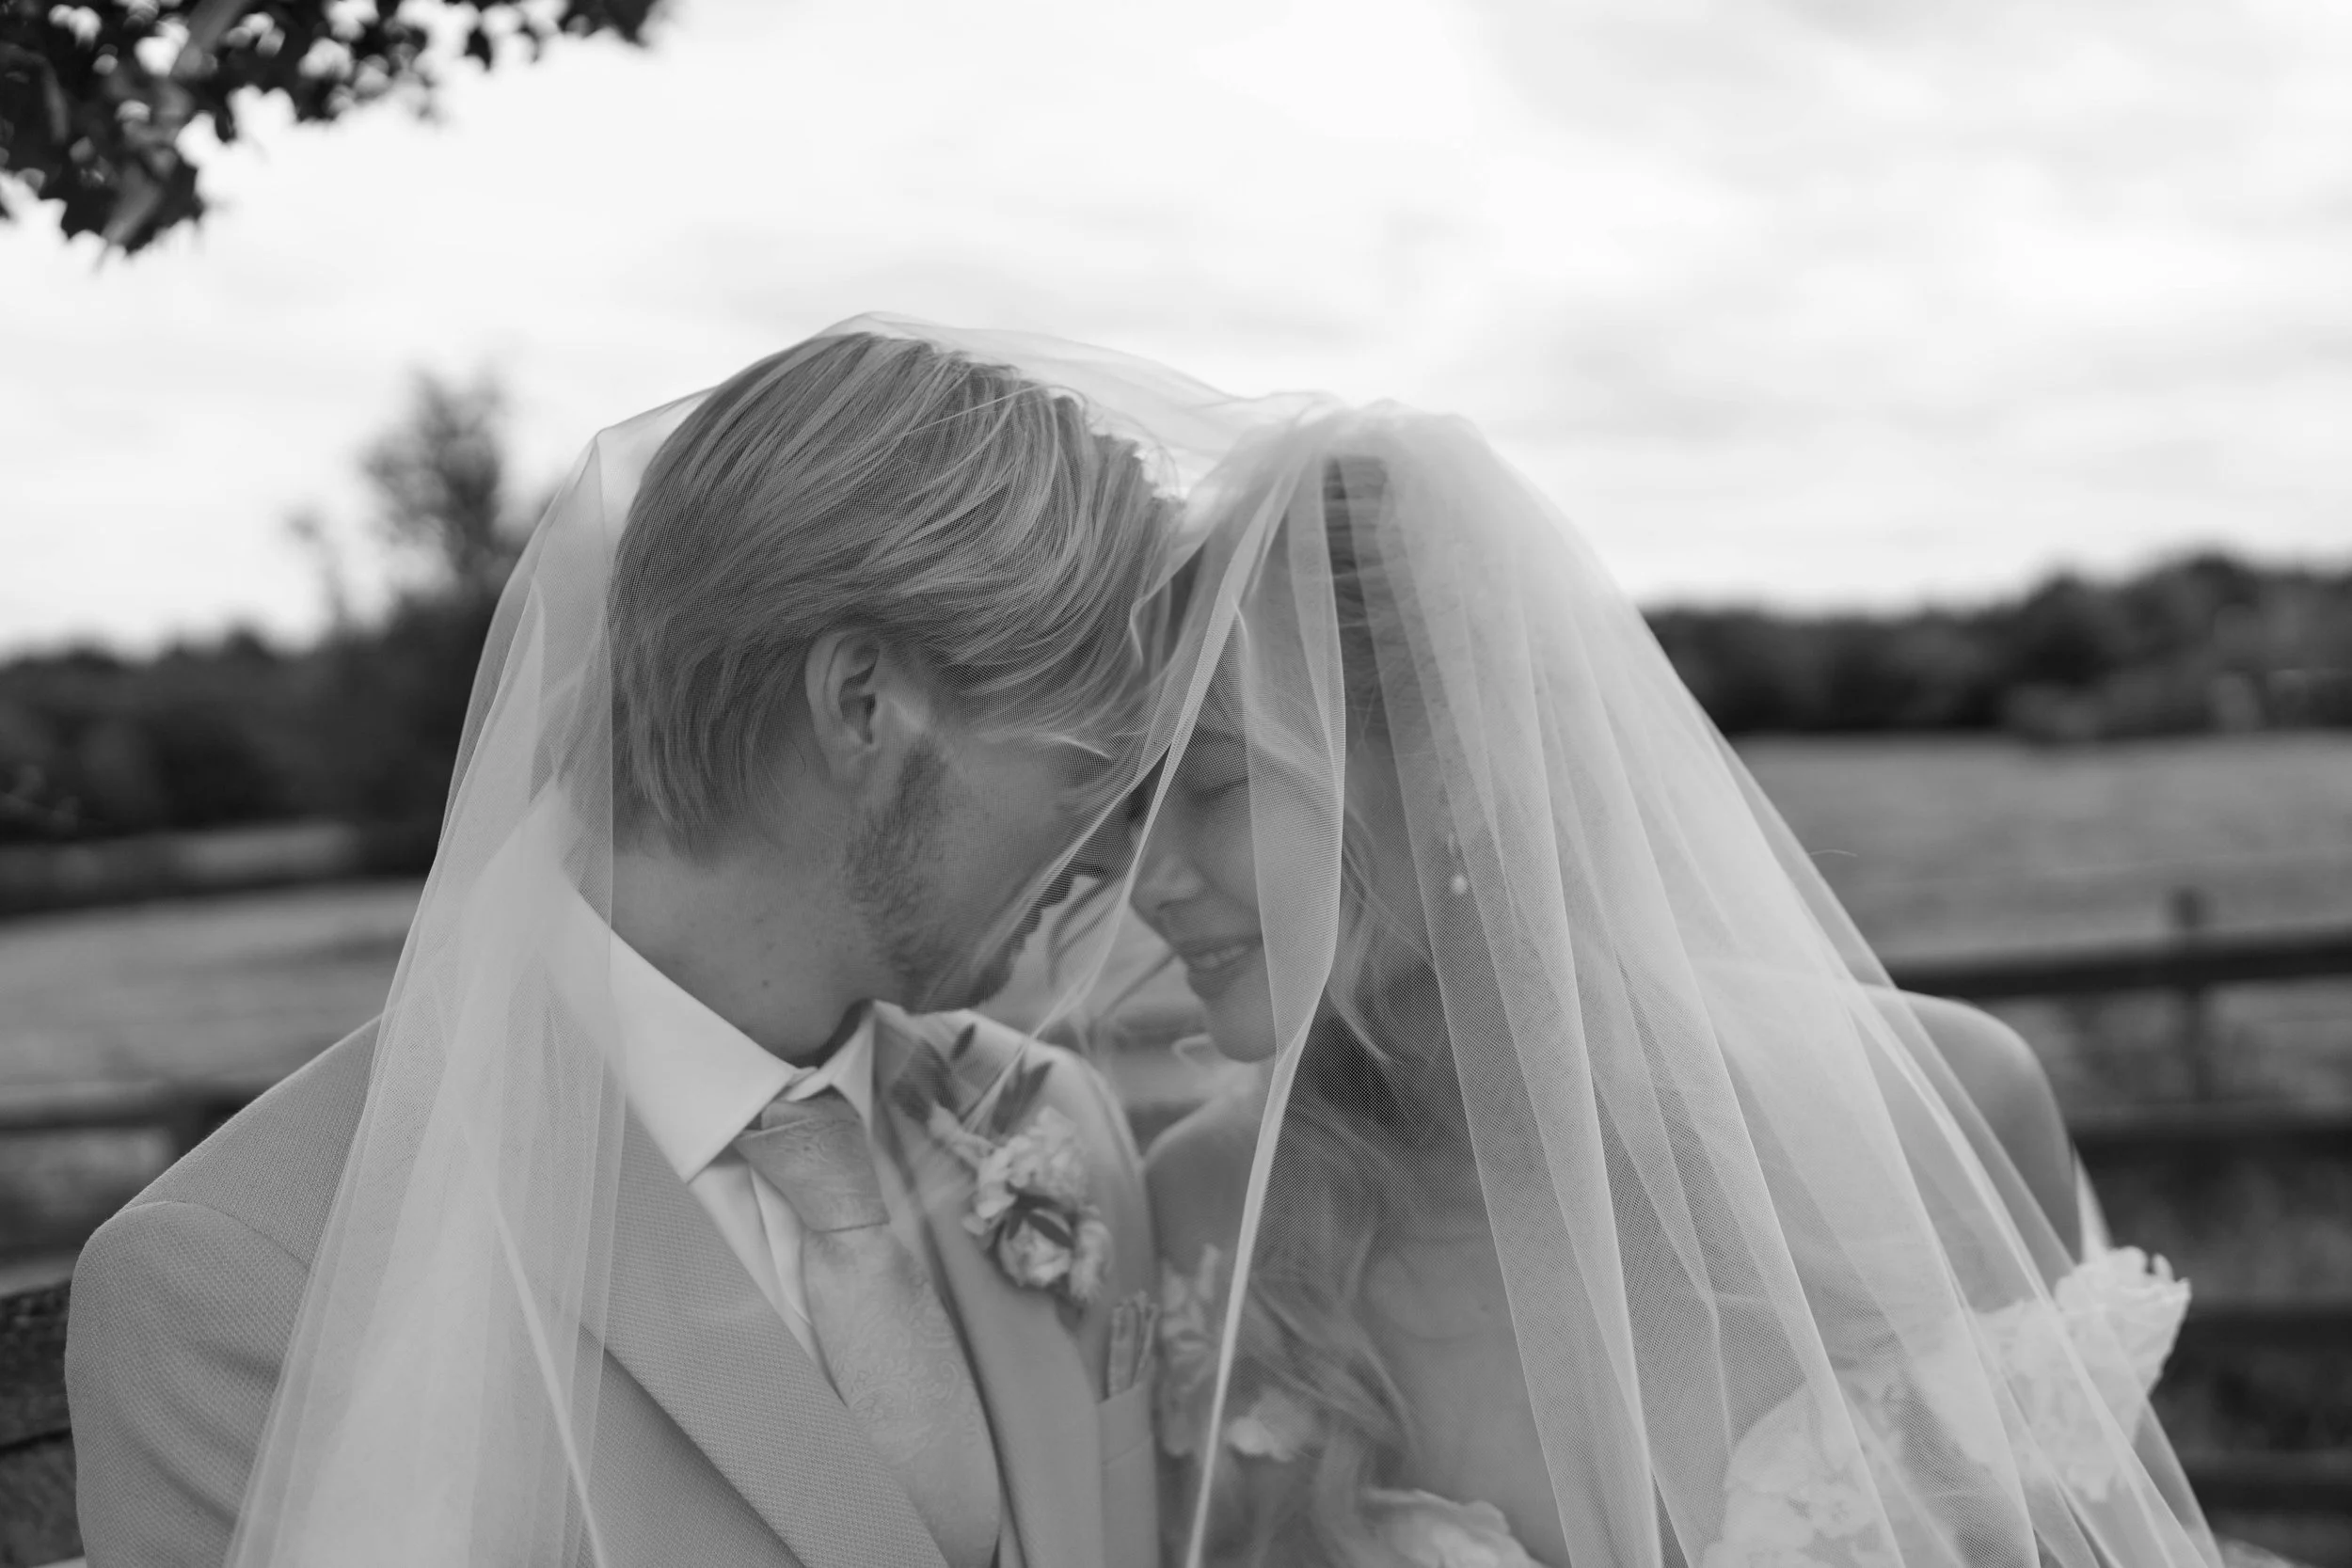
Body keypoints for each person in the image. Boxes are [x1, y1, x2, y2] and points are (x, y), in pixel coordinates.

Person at [65, 324, 1244, 1568]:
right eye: (1098, 767)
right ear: (860, 703)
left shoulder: (1055, 1123)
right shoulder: (239, 1281)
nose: (1120, 852)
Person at [1107, 408, 2217, 1568]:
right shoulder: (1200, 1210)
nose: (1147, 878)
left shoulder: (1938, 1098)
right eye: (1133, 803)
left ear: (1455, 767)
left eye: (1217, 782)